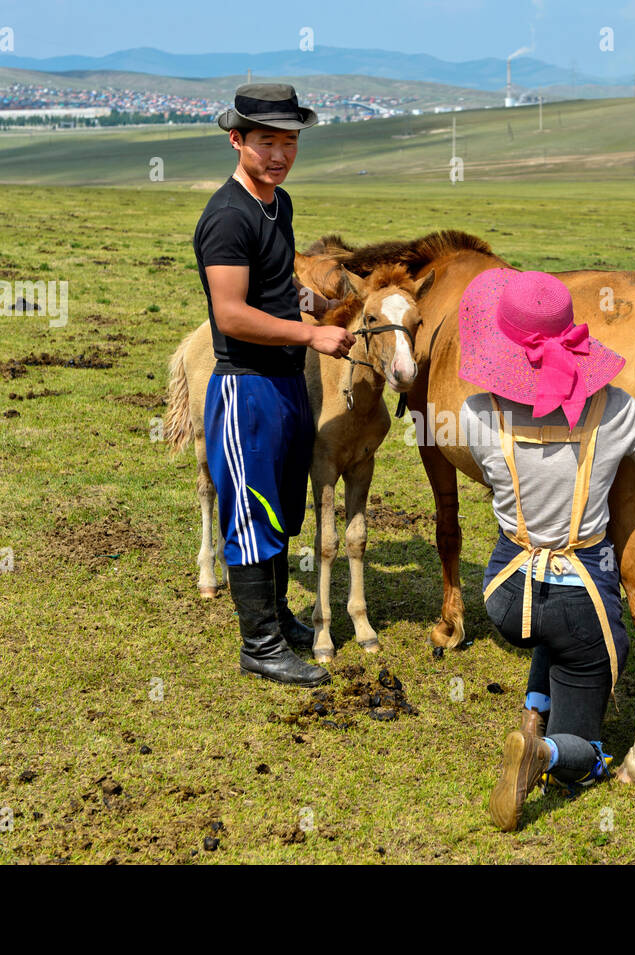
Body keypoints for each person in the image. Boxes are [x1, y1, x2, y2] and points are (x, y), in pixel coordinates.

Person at [456, 269, 635, 831]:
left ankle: (534, 710)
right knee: (586, 750)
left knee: (548, 622)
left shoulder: (472, 413)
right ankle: (547, 753)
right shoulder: (616, 410)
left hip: (504, 594)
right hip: (580, 593)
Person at [193, 84, 355, 687]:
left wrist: (310, 302)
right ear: (237, 140)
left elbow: (271, 285)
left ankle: (277, 616)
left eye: (289, 141)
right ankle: (258, 646)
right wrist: (309, 335)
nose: (280, 153)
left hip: (286, 383)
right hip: (247, 388)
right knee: (252, 514)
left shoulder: (276, 204)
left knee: (282, 507)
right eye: (267, 141)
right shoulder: (228, 217)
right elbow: (231, 313)